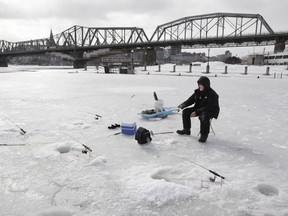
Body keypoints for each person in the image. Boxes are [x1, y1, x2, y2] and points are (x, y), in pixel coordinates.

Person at [176, 76, 220, 143]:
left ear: (206, 85)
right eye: (199, 85)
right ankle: (186, 129)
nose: (200, 86)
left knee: (204, 116)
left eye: (201, 85)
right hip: (199, 108)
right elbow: (190, 100)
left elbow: (209, 107)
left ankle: (204, 135)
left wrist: (196, 112)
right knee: (185, 111)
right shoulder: (198, 91)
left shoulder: (213, 94)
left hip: (210, 111)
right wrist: (181, 106)